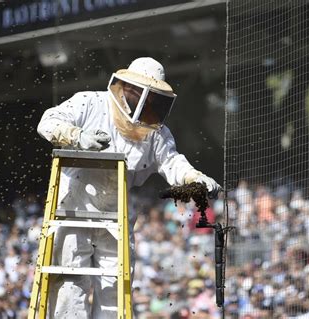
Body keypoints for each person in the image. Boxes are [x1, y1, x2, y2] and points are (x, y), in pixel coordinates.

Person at [37, 57, 221, 318]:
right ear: (130, 88)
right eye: (146, 96)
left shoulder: (155, 132)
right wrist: (76, 137)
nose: (150, 105)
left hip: (117, 219)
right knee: (70, 283)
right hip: (73, 212)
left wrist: (194, 177)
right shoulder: (90, 103)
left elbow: (171, 161)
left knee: (115, 288)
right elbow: (48, 121)